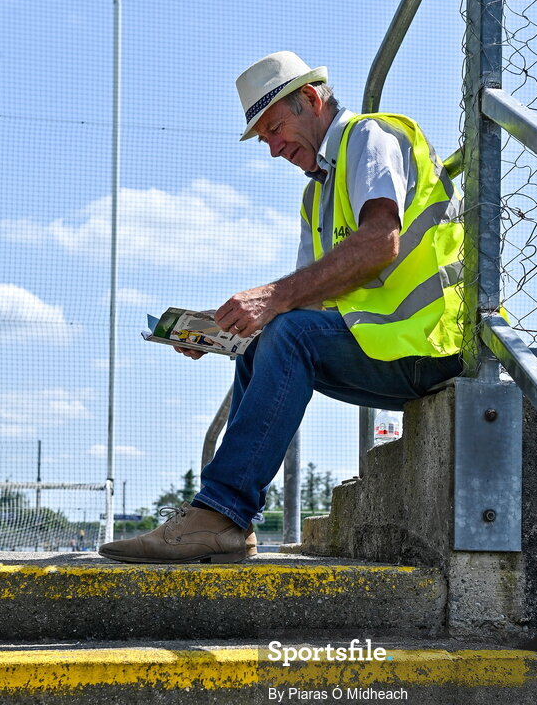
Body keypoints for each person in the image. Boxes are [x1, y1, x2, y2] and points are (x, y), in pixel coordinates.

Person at [99, 51, 464, 564]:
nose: (272, 149)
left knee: (286, 331)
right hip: (390, 344)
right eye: (263, 138)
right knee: (268, 338)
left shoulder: (371, 136)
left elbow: (382, 241)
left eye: (274, 128)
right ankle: (228, 520)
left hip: (438, 342)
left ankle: (221, 510)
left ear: (311, 101)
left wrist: (271, 301)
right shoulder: (316, 197)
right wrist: (225, 331)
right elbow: (306, 299)